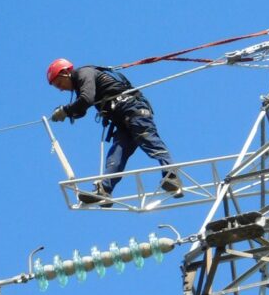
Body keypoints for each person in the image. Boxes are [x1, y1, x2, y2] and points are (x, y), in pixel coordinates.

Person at [47, 58, 182, 207]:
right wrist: (68, 113)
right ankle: (104, 190)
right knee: (116, 154)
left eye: (59, 84)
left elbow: (86, 99)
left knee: (148, 139)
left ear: (65, 72)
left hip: (133, 110)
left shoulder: (83, 73)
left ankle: (172, 176)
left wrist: (66, 110)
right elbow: (81, 108)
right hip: (122, 120)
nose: (60, 89)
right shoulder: (80, 83)